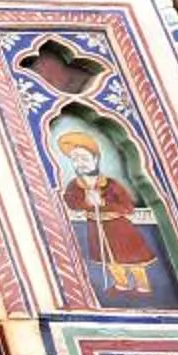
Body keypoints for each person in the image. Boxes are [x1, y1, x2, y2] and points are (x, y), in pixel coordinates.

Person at [57, 129, 161, 301]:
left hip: (119, 228)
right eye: (75, 159)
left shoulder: (111, 184)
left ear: (95, 159)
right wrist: (86, 202)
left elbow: (127, 207)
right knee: (109, 259)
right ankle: (121, 284)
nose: (80, 163)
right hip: (96, 227)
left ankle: (142, 288)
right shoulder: (75, 186)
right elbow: (71, 202)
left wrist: (104, 203)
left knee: (133, 260)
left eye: (84, 158)